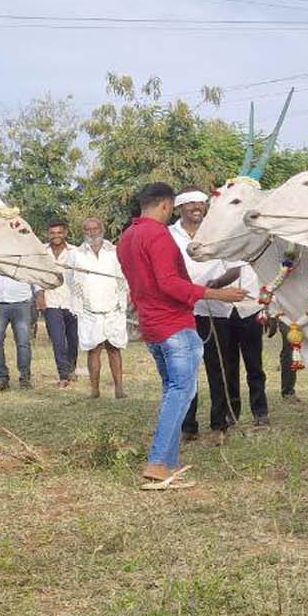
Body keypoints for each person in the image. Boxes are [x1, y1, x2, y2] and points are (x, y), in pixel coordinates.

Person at [117, 182, 248, 488]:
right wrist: (217, 293)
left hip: (152, 325)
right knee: (181, 392)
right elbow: (168, 283)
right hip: (173, 325)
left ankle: (167, 463)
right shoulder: (158, 235)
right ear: (166, 206)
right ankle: (159, 462)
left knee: (174, 392)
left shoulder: (127, 236)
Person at [170, 189, 263, 442]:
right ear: (179, 208)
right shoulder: (169, 235)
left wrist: (215, 286)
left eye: (200, 204)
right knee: (185, 370)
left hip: (215, 309)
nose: (196, 208)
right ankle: (188, 426)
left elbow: (235, 267)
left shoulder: (218, 230)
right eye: (190, 204)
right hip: (182, 309)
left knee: (219, 369)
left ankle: (218, 425)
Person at [69, 217, 129, 399]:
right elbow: (71, 280)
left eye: (95, 229)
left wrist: (122, 301)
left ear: (102, 230)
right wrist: (79, 303)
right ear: (83, 232)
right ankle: (94, 389)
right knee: (93, 349)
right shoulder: (76, 254)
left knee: (114, 348)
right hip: (89, 309)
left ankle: (119, 388)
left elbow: (123, 277)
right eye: (87, 229)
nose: (91, 232)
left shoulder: (114, 251)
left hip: (113, 308)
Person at [38, 220, 80, 388]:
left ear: (65, 233)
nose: (56, 236)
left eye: (59, 232)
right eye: (52, 233)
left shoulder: (75, 252)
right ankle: (63, 375)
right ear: (48, 234)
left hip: (72, 302)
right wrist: (39, 295)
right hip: (51, 301)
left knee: (73, 339)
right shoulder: (41, 252)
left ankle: (71, 368)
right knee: (57, 339)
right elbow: (35, 274)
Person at [0, 270, 36, 390]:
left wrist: (39, 295)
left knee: (23, 342)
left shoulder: (23, 253)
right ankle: (1, 378)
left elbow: (34, 276)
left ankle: (25, 378)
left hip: (21, 302)